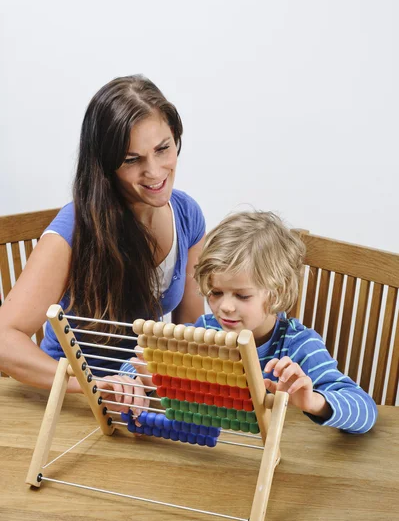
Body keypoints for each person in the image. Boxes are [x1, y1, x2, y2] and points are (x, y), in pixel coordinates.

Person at [0, 75, 206, 414]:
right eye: (131, 159)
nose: (154, 172)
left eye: (163, 148)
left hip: (137, 402)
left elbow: (188, 330)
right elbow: (5, 341)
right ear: (105, 166)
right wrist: (88, 385)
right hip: (66, 401)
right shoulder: (74, 230)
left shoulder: (187, 216)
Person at [191, 211, 377, 434]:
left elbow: (366, 411)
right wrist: (140, 376)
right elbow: (142, 365)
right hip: (215, 456)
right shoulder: (205, 331)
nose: (225, 307)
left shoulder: (299, 346)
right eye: (216, 292)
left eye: (242, 296)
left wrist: (313, 402)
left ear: (277, 293)